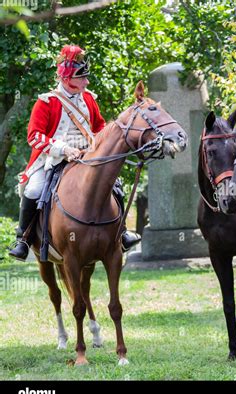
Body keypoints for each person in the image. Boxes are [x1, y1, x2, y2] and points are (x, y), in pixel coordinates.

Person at [8, 45, 141, 261]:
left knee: (115, 185)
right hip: (54, 158)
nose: (87, 82)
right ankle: (23, 239)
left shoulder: (88, 98)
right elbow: (34, 136)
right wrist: (64, 149)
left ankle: (122, 232)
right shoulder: (46, 102)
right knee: (33, 190)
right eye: (82, 77)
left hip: (88, 156)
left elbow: (99, 127)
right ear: (68, 78)